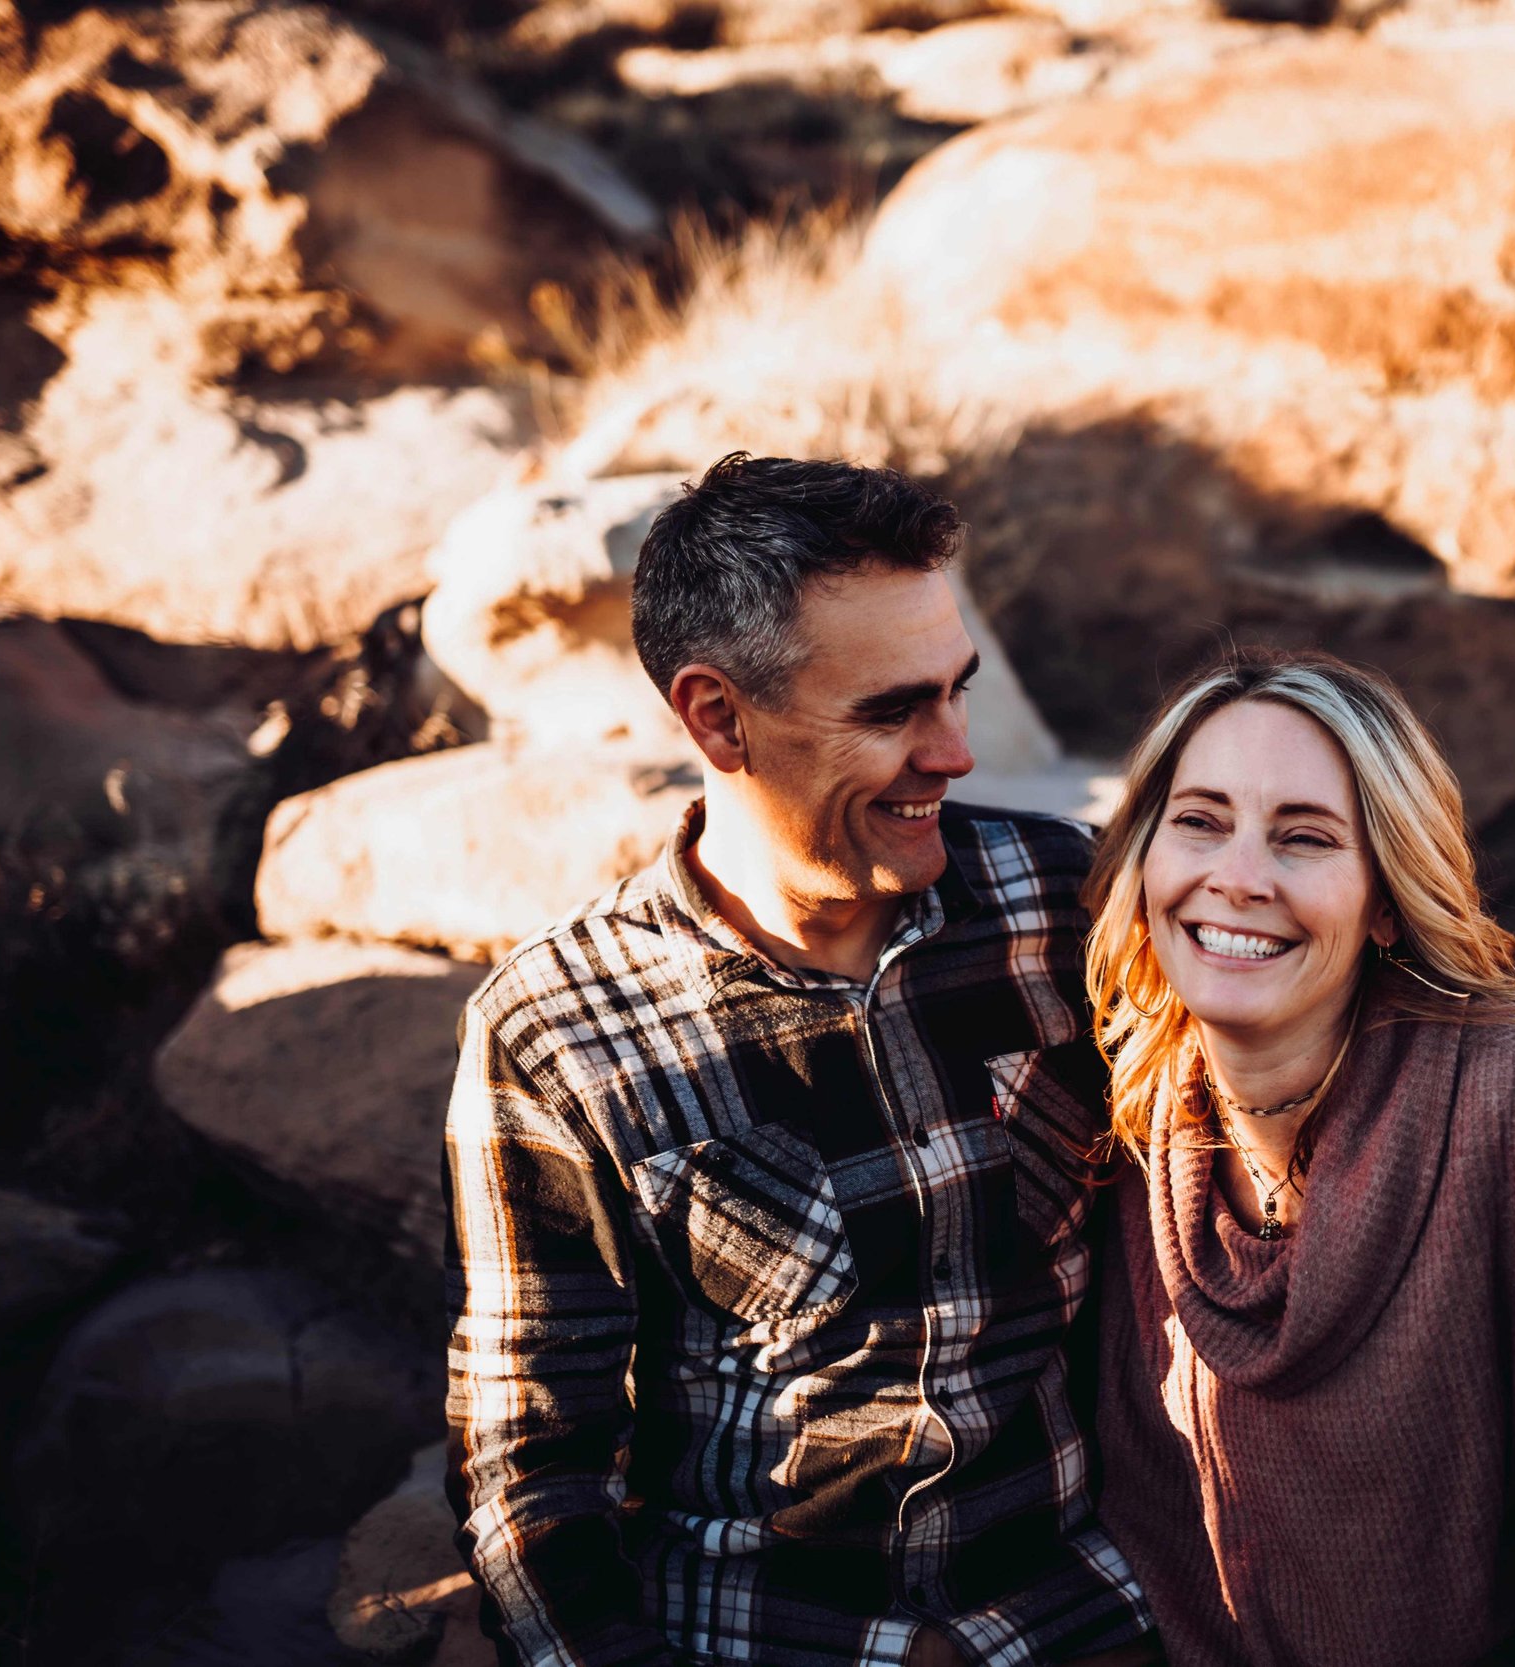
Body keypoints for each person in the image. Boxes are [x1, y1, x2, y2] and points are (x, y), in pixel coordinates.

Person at [443, 454, 1156, 1667]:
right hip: (761, 1634)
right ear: (717, 715)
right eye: (892, 711)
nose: (956, 751)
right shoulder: (557, 1024)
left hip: (1075, 1614)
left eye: (956, 691)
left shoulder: (1064, 904)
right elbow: (530, 1460)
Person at [1082, 647, 1515, 1667]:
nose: (1236, 877)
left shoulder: (1507, 1097)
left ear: (1384, 899)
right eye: (1199, 820)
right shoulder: (1126, 1097)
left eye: (1305, 837)